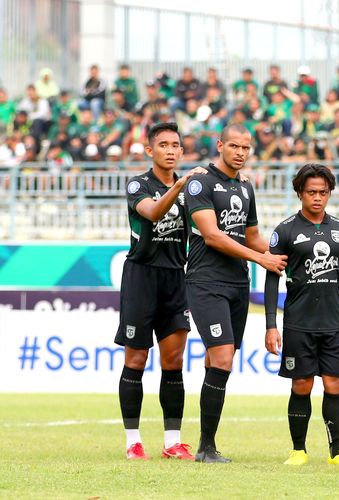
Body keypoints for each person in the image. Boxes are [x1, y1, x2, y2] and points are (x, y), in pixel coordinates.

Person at [184, 124, 288, 463]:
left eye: (246, 147)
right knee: (224, 358)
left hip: (237, 284)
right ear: (220, 145)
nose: (240, 152)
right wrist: (260, 258)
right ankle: (205, 447)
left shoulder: (246, 187)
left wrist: (284, 251)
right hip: (205, 282)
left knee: (217, 360)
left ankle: (204, 443)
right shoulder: (201, 183)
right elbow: (212, 236)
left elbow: (252, 235)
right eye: (234, 146)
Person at [114, 122, 208, 461]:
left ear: (182, 151)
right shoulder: (139, 185)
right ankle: (133, 441)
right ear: (150, 150)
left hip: (174, 278)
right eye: (163, 144)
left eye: (175, 145)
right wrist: (181, 184)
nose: (170, 150)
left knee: (174, 360)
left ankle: (172, 441)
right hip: (141, 277)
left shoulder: (191, 190)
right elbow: (153, 212)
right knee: (137, 359)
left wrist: (229, 183)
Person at [264, 163, 339, 466]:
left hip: (334, 323)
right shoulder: (285, 231)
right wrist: (271, 325)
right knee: (301, 385)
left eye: (323, 192)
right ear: (299, 193)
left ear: (330, 193)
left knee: (336, 385)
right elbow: (271, 279)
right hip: (298, 323)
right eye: (311, 192)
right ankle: (298, 450)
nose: (317, 197)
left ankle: (337, 452)